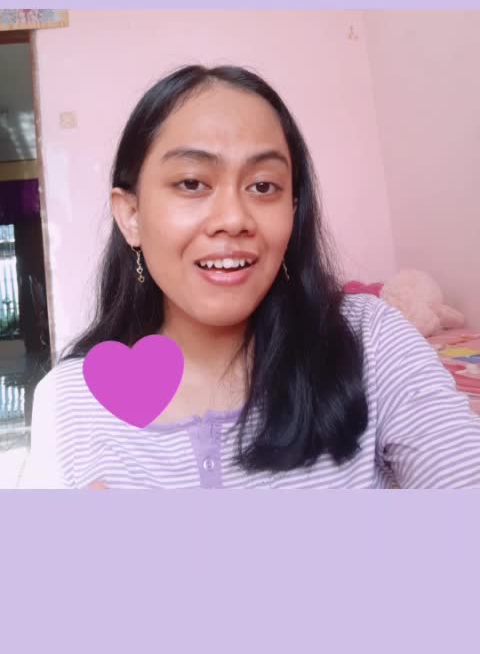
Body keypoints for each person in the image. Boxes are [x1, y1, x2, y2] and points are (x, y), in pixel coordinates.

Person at [20, 65, 480, 488]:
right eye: (192, 183)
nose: (234, 219)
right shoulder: (69, 402)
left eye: (263, 186)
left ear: (292, 211)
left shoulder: (371, 341)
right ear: (131, 215)